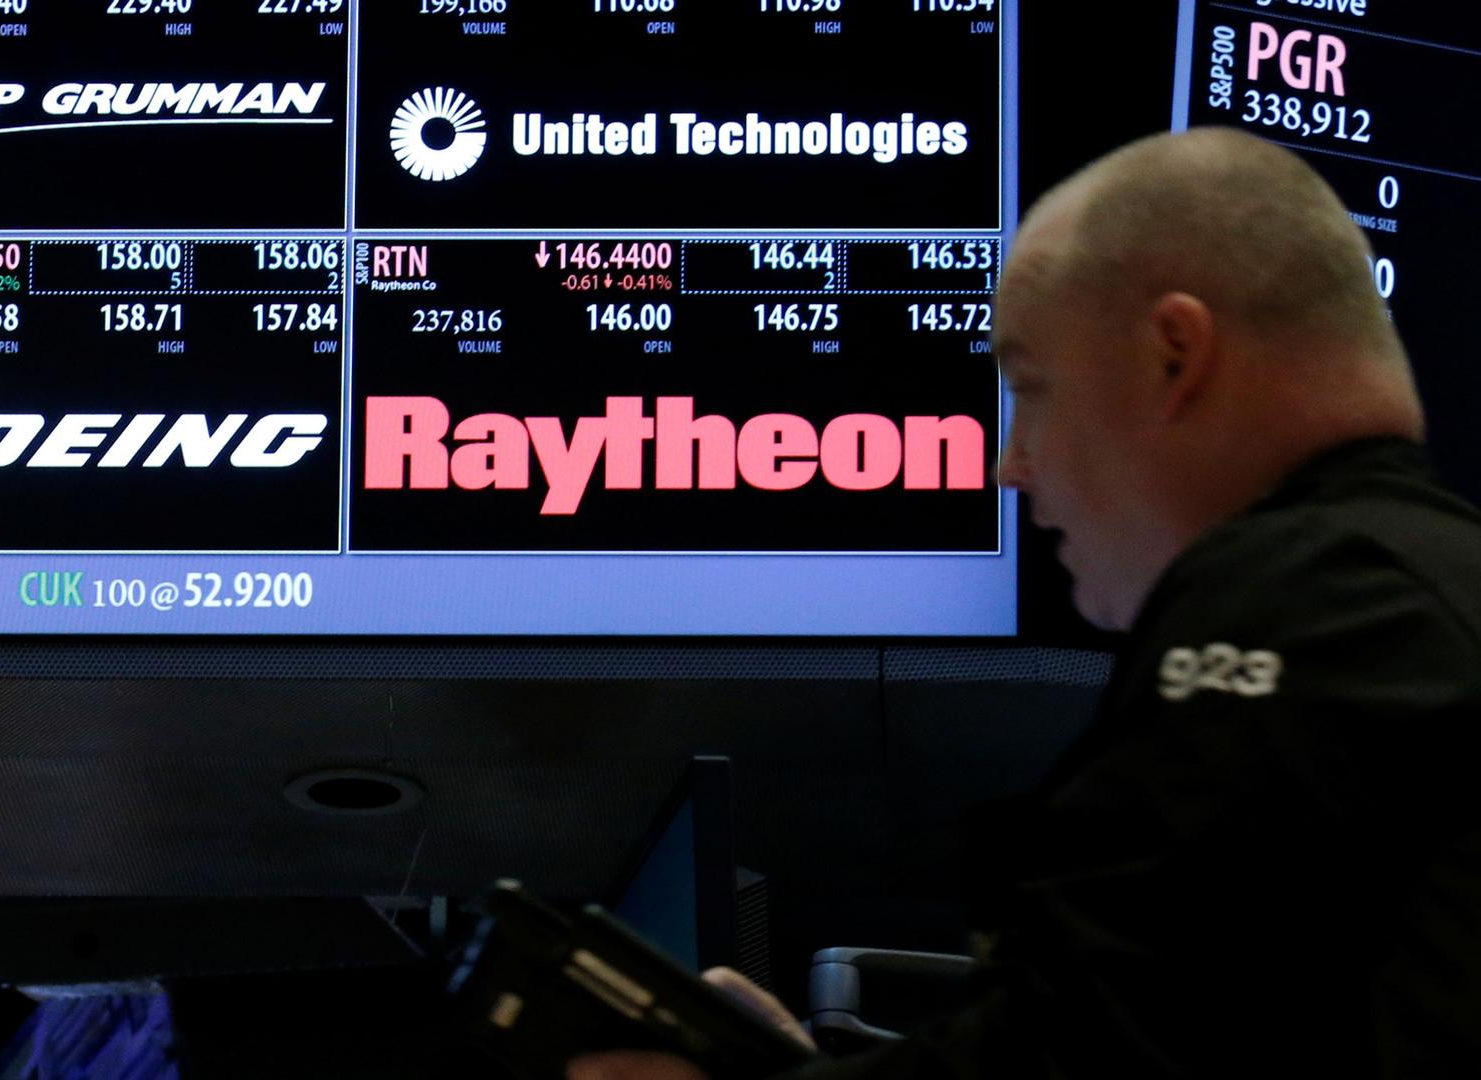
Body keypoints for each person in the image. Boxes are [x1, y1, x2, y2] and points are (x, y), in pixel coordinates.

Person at [569, 128, 1481, 1078]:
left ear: (1176, 354)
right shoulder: (1418, 585)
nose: (1012, 465)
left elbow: (1095, 1049)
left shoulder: (1315, 600)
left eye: (1031, 388)